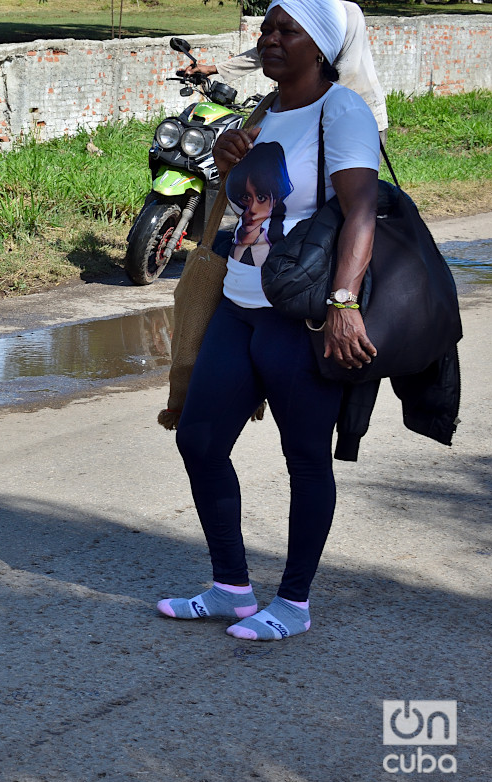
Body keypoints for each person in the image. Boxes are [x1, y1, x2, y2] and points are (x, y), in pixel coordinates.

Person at [157, 0, 379, 640]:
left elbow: (360, 212)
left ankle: (295, 602)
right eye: (268, 28)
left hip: (300, 315)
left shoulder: (342, 112)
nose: (271, 39)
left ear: (322, 46)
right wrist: (230, 162)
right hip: (240, 301)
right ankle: (232, 587)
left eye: (289, 31)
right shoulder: (263, 109)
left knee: (305, 456)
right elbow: (248, 206)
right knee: (198, 439)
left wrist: (343, 302)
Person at [180, 0, 388, 139]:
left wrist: (300, 106)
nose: (271, 40)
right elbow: (264, 50)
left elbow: (347, 69)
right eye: (265, 31)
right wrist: (214, 68)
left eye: (289, 31)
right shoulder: (294, 5)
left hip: (358, 116)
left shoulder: (346, 13)